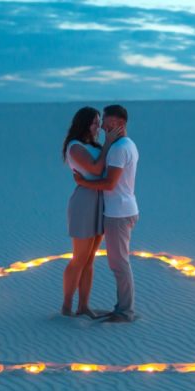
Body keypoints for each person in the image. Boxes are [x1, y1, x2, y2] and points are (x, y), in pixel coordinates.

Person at [74, 104, 139, 323]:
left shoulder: (120, 148)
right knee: (118, 263)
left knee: (119, 264)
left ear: (120, 124)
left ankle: (125, 312)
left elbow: (110, 184)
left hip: (119, 213)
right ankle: (122, 308)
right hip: (121, 210)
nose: (102, 126)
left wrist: (84, 182)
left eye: (107, 122)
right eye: (101, 121)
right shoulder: (127, 144)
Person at [62, 107, 122, 318]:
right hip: (85, 201)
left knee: (90, 260)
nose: (99, 127)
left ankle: (83, 306)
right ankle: (67, 307)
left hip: (100, 199)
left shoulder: (94, 146)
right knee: (79, 258)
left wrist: (107, 144)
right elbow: (96, 169)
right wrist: (107, 144)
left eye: (99, 122)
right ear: (84, 123)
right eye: (95, 122)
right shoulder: (74, 147)